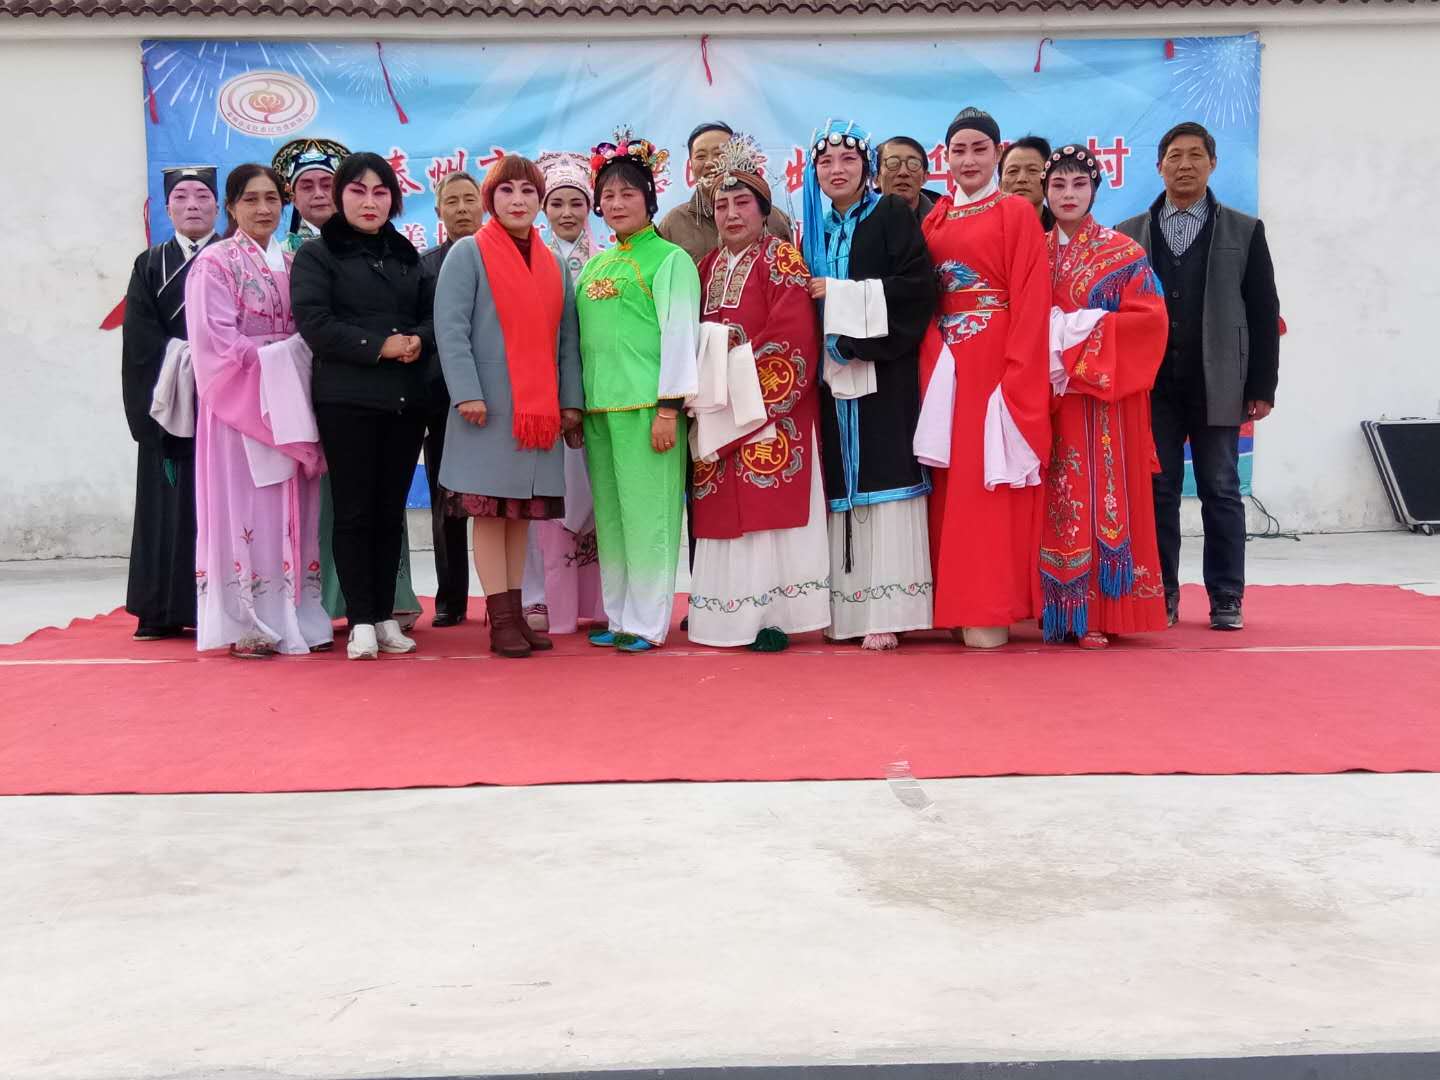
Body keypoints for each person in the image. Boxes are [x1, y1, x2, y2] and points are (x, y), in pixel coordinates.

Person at [1116, 121, 1280, 631]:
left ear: (1212, 163)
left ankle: (1227, 595)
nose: (1184, 165)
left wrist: (1262, 387)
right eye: (1174, 156)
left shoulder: (1244, 230)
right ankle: (1161, 592)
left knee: (1221, 489)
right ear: (1158, 166)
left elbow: (1263, 312)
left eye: (1195, 155)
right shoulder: (1128, 233)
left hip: (1220, 382)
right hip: (1153, 387)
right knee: (1158, 490)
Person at [433, 154, 583, 659]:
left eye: (527, 191)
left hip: (537, 414)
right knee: (491, 516)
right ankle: (499, 621)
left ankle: (516, 614)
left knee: (519, 516)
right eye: (506, 191)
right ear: (490, 199)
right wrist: (466, 392)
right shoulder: (469, 253)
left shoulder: (553, 263)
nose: (518, 200)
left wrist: (570, 402)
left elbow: (567, 340)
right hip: (486, 410)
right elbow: (451, 329)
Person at [913, 107, 1051, 649]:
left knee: (986, 485)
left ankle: (989, 604)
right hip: (944, 363)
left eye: (979, 149)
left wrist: (1018, 375)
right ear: (945, 158)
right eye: (959, 151)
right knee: (948, 486)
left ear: (998, 152)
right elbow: (923, 296)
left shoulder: (1015, 212)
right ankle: (952, 603)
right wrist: (933, 356)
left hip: (995, 363)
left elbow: (1031, 299)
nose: (968, 160)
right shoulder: (936, 218)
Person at [274, 136, 423, 629]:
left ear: (393, 200)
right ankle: (360, 620)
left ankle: (384, 618)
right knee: (354, 512)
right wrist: (381, 346)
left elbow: (430, 316)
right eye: (358, 191)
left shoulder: (405, 254)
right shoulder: (318, 256)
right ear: (341, 197)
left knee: (389, 512)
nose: (369, 202)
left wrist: (416, 341)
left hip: (404, 402)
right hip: (346, 401)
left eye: (381, 192)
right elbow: (315, 323)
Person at [687, 134, 829, 651]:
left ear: (764, 211)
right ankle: (724, 616)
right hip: (717, 409)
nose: (731, 214)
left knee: (769, 515)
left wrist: (730, 357)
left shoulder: (782, 259)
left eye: (742, 202)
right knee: (724, 513)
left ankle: (775, 615)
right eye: (722, 204)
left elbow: (794, 337)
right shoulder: (704, 268)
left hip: (771, 413)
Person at [185, 164, 331, 658]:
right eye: (251, 199)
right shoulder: (214, 263)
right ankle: (247, 621)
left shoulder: (294, 261)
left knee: (294, 508)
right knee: (247, 507)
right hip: (241, 404)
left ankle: (297, 614)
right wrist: (281, 357)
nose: (264, 208)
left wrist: (299, 360)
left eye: (272, 198)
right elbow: (214, 342)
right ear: (231, 207)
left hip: (291, 397)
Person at [803, 119, 937, 651]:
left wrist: (842, 302)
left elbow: (917, 287)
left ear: (868, 168)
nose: (837, 171)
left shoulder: (891, 214)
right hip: (830, 378)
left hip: (884, 368)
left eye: (848, 161)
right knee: (841, 482)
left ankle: (891, 606)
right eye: (826, 162)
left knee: (887, 475)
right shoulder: (813, 228)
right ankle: (847, 609)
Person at [1040, 144, 1170, 647]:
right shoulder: (1033, 252)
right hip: (1048, 396)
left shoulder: (1124, 253)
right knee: (1053, 497)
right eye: (1058, 185)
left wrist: (1079, 331)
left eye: (1079, 184)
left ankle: (1098, 609)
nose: (1068, 195)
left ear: (1095, 189)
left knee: (1100, 495)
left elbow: (1151, 323)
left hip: (1103, 397)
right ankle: (1051, 605)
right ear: (1045, 192)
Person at [575, 128, 700, 653]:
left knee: (650, 516)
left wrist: (670, 408)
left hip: (649, 408)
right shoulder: (595, 265)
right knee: (611, 518)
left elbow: (680, 335)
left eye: (628, 193)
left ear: (649, 199)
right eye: (607, 195)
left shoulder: (670, 259)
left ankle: (648, 621)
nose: (616, 203)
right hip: (599, 410)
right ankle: (619, 614)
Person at [120, 165, 219, 641]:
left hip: (225, 401)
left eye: (202, 195)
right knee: (166, 506)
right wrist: (186, 367)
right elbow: (140, 342)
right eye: (181, 197)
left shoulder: (232, 257)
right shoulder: (149, 263)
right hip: (170, 401)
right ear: (167, 208)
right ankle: (159, 607)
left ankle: (222, 606)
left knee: (221, 507)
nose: (193, 205)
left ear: (219, 206)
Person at [517, 150, 608, 637]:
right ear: (543, 209)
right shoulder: (529, 260)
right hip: (543, 395)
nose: (567, 213)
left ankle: (598, 597)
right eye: (557, 203)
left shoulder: (608, 261)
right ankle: (539, 595)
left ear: (590, 207)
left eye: (576, 203)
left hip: (597, 393)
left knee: (598, 492)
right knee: (544, 497)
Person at [417, 170, 483, 628]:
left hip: (501, 398)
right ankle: (451, 598)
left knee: (505, 503)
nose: (461, 209)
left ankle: (508, 598)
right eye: (452, 201)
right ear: (438, 211)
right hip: (443, 401)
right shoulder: (424, 266)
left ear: (484, 205)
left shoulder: (505, 257)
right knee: (447, 502)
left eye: (469, 199)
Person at [657, 121, 793, 263]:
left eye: (719, 153)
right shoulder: (674, 224)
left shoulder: (774, 218)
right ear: (690, 165)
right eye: (700, 156)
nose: (710, 163)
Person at [271, 137, 349, 255]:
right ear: (293, 198)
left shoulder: (364, 244)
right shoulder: (281, 254)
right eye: (307, 187)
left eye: (327, 185)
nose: (318, 194)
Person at [875, 136, 943, 221]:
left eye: (913, 164)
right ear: (876, 177)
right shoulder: (861, 220)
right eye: (893, 163)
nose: (903, 172)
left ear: (924, 177)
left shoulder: (944, 222)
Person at [999, 135, 1054, 229]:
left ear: (1048, 180)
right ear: (1000, 184)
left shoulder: (1065, 230)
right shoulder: (983, 229)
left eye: (1032, 170)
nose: (1021, 179)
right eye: (1012, 171)